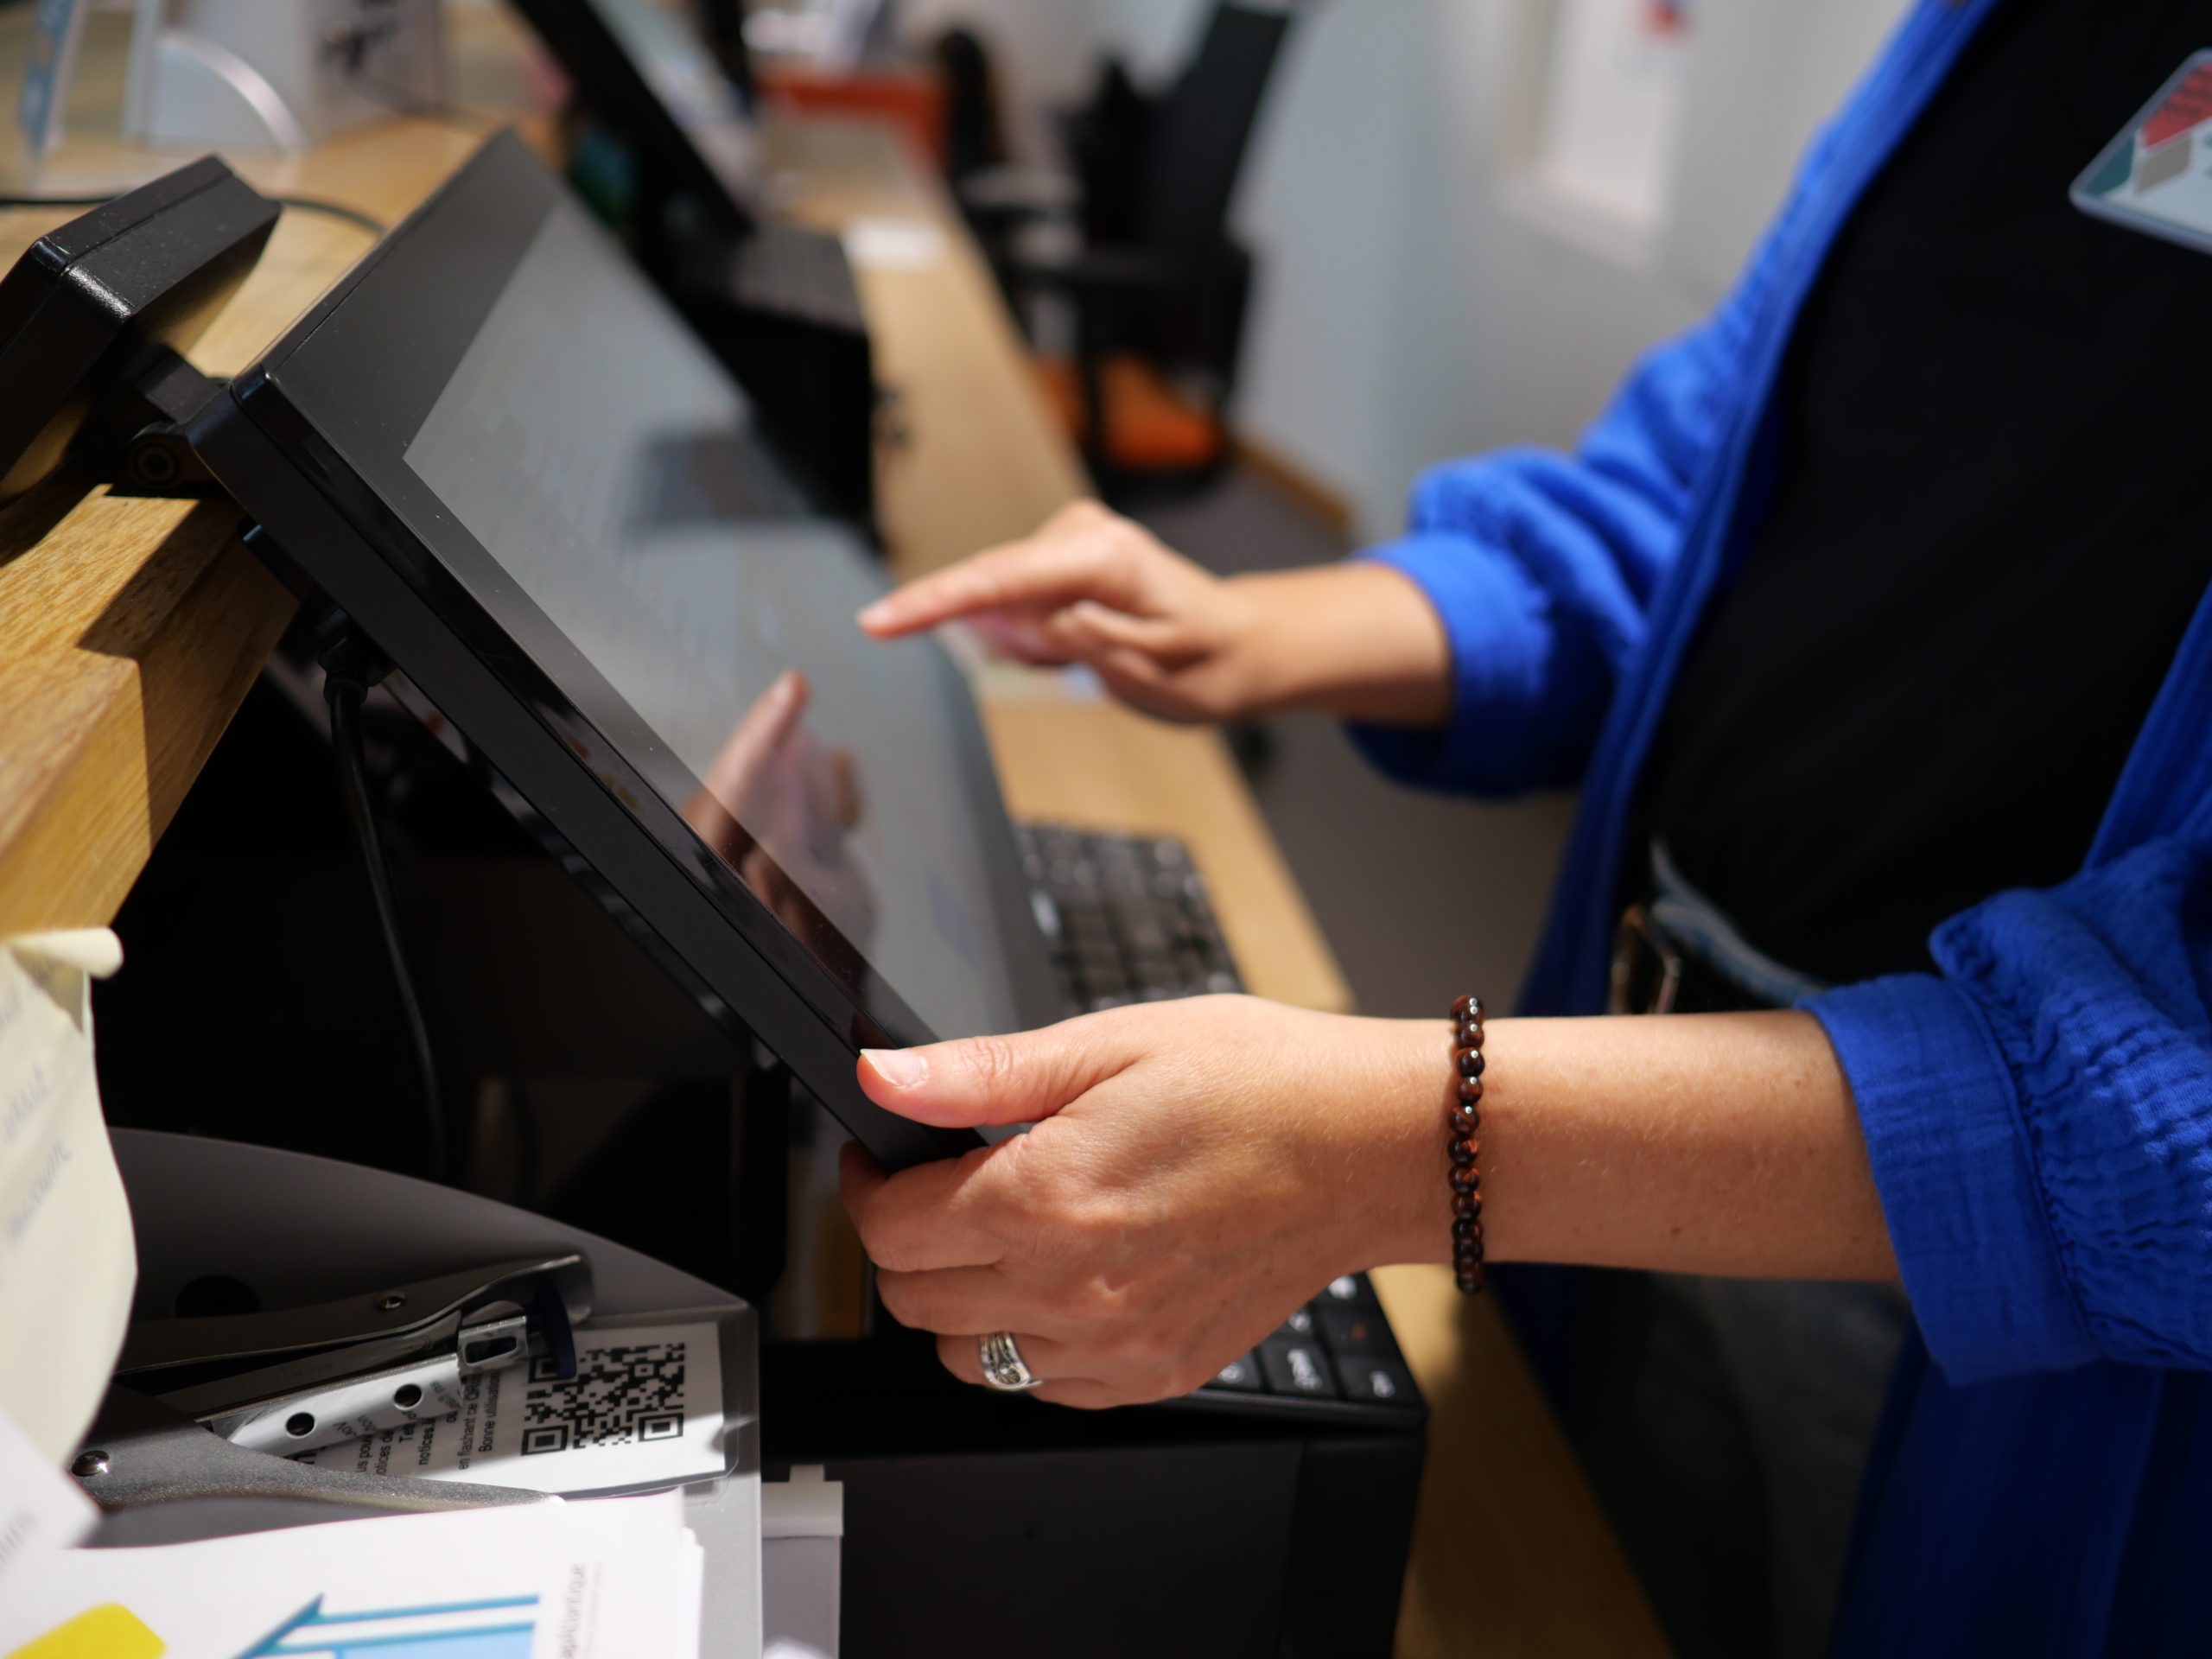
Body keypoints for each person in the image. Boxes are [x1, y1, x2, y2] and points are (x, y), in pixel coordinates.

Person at [836, 0, 2212, 1651]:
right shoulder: (1987, 40)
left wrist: (1405, 1146)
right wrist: (1249, 633)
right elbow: (1694, 501)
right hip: (1628, 1117)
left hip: (1993, 1326)